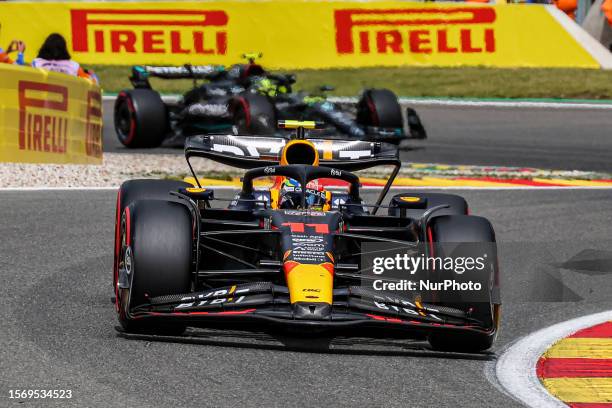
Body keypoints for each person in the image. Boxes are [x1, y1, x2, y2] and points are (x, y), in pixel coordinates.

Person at [32, 33, 98, 83]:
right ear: (64, 49)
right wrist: (93, 75)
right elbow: (93, 84)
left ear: (45, 47)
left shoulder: (36, 63)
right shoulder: (74, 66)